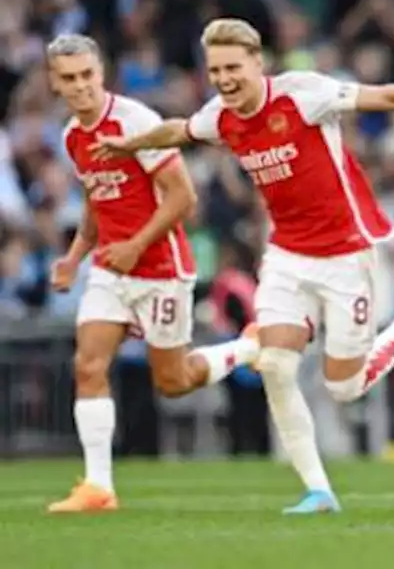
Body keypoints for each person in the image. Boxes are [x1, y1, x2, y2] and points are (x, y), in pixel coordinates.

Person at [90, 18, 394, 514]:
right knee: (278, 366)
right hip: (288, 255)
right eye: (215, 69)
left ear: (257, 62)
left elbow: (387, 97)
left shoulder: (303, 95)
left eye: (233, 67)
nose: (223, 78)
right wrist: (131, 145)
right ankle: (318, 490)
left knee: (344, 388)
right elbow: (180, 130)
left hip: (348, 252)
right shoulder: (220, 116)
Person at [45, 34, 262, 513]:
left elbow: (184, 197)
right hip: (110, 269)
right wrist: (76, 256)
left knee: (174, 381)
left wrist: (137, 245)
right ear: (54, 83)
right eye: (69, 79)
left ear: (101, 73)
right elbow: (96, 200)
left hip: (161, 267)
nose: (81, 87)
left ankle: (248, 348)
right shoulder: (71, 136)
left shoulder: (135, 122)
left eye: (87, 75)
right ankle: (99, 488)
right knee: (88, 365)